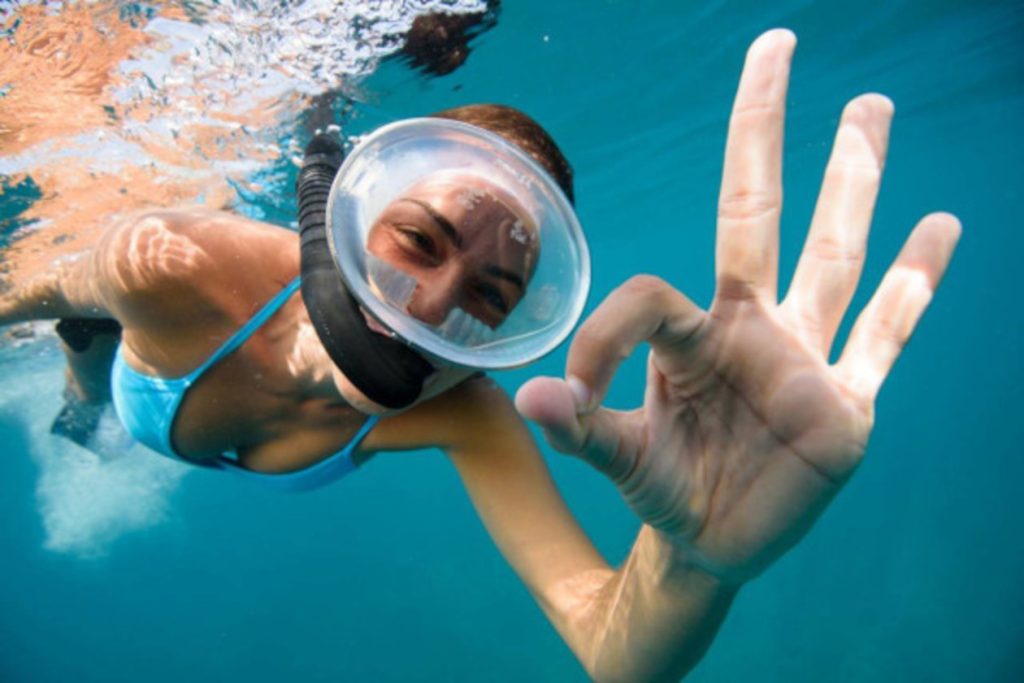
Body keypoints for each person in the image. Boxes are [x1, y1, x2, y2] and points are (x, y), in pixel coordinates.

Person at [0, 29, 959, 682]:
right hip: (139, 352)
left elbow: (608, 645)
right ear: (348, 209)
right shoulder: (181, 266)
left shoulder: (459, 409)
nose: (432, 308)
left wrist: (697, 561)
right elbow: (20, 279)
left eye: (492, 300)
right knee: (77, 342)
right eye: (417, 239)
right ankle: (82, 389)